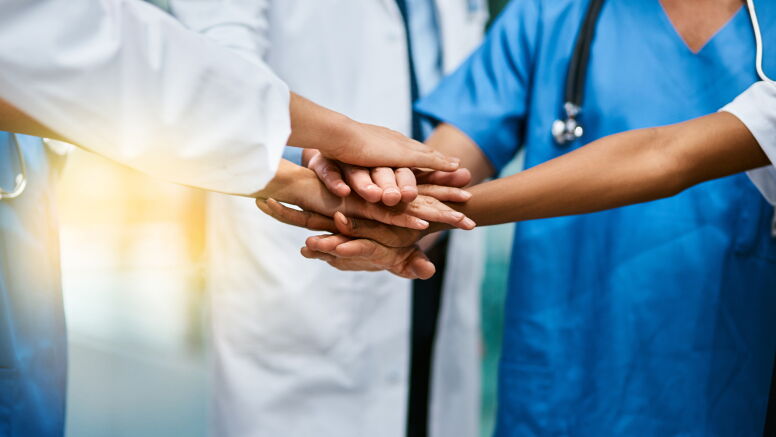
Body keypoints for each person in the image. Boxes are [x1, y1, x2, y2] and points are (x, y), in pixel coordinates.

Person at [267, 0, 776, 435]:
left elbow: (663, 157)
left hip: (724, 370)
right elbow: (450, 159)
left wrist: (405, 215)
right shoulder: (554, 10)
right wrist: (387, 195)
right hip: (558, 377)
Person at [0, 1, 470, 435]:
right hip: (306, 255)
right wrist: (327, 151)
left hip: (416, 250)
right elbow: (95, 52)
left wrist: (346, 170)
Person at [168, 1, 486, 436]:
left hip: (435, 267)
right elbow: (216, 65)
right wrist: (322, 149)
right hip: (309, 276)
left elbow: (481, 94)